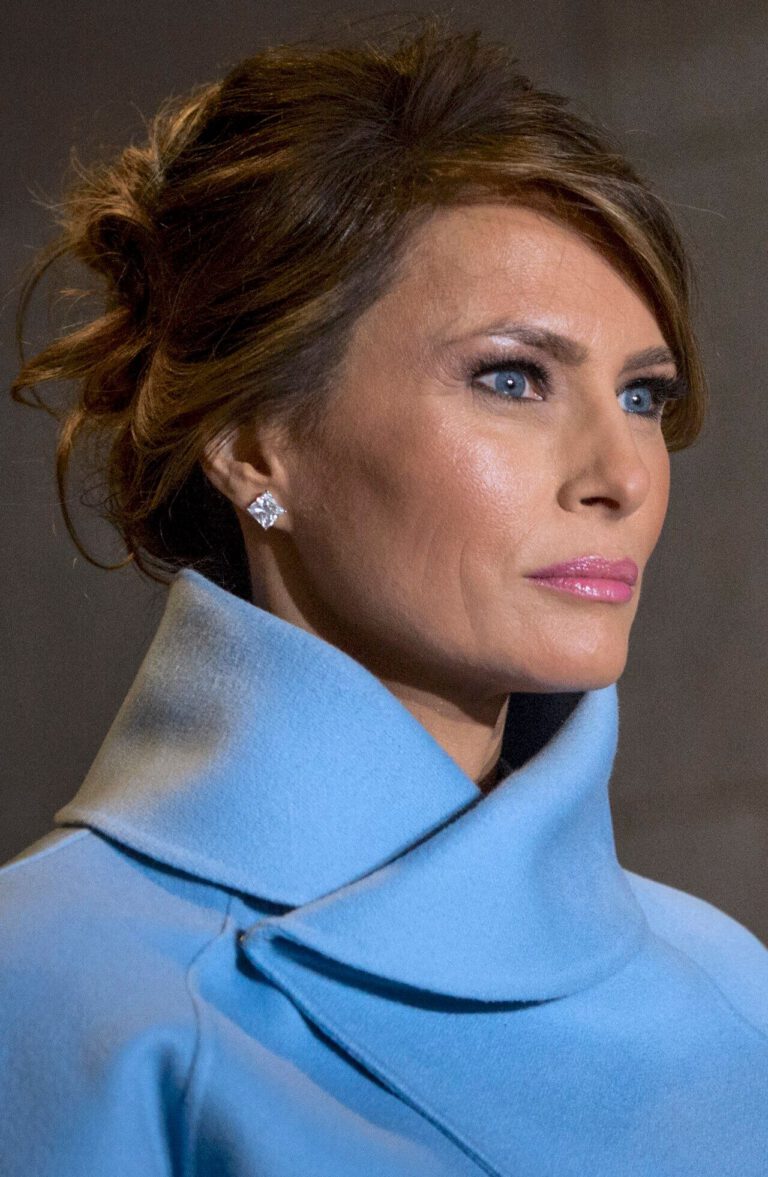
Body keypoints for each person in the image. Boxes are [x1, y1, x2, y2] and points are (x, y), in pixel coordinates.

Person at [2, 17, 766, 1177]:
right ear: (255, 444)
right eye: (514, 378)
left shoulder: (732, 988)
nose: (620, 476)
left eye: (644, 397)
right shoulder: (51, 991)